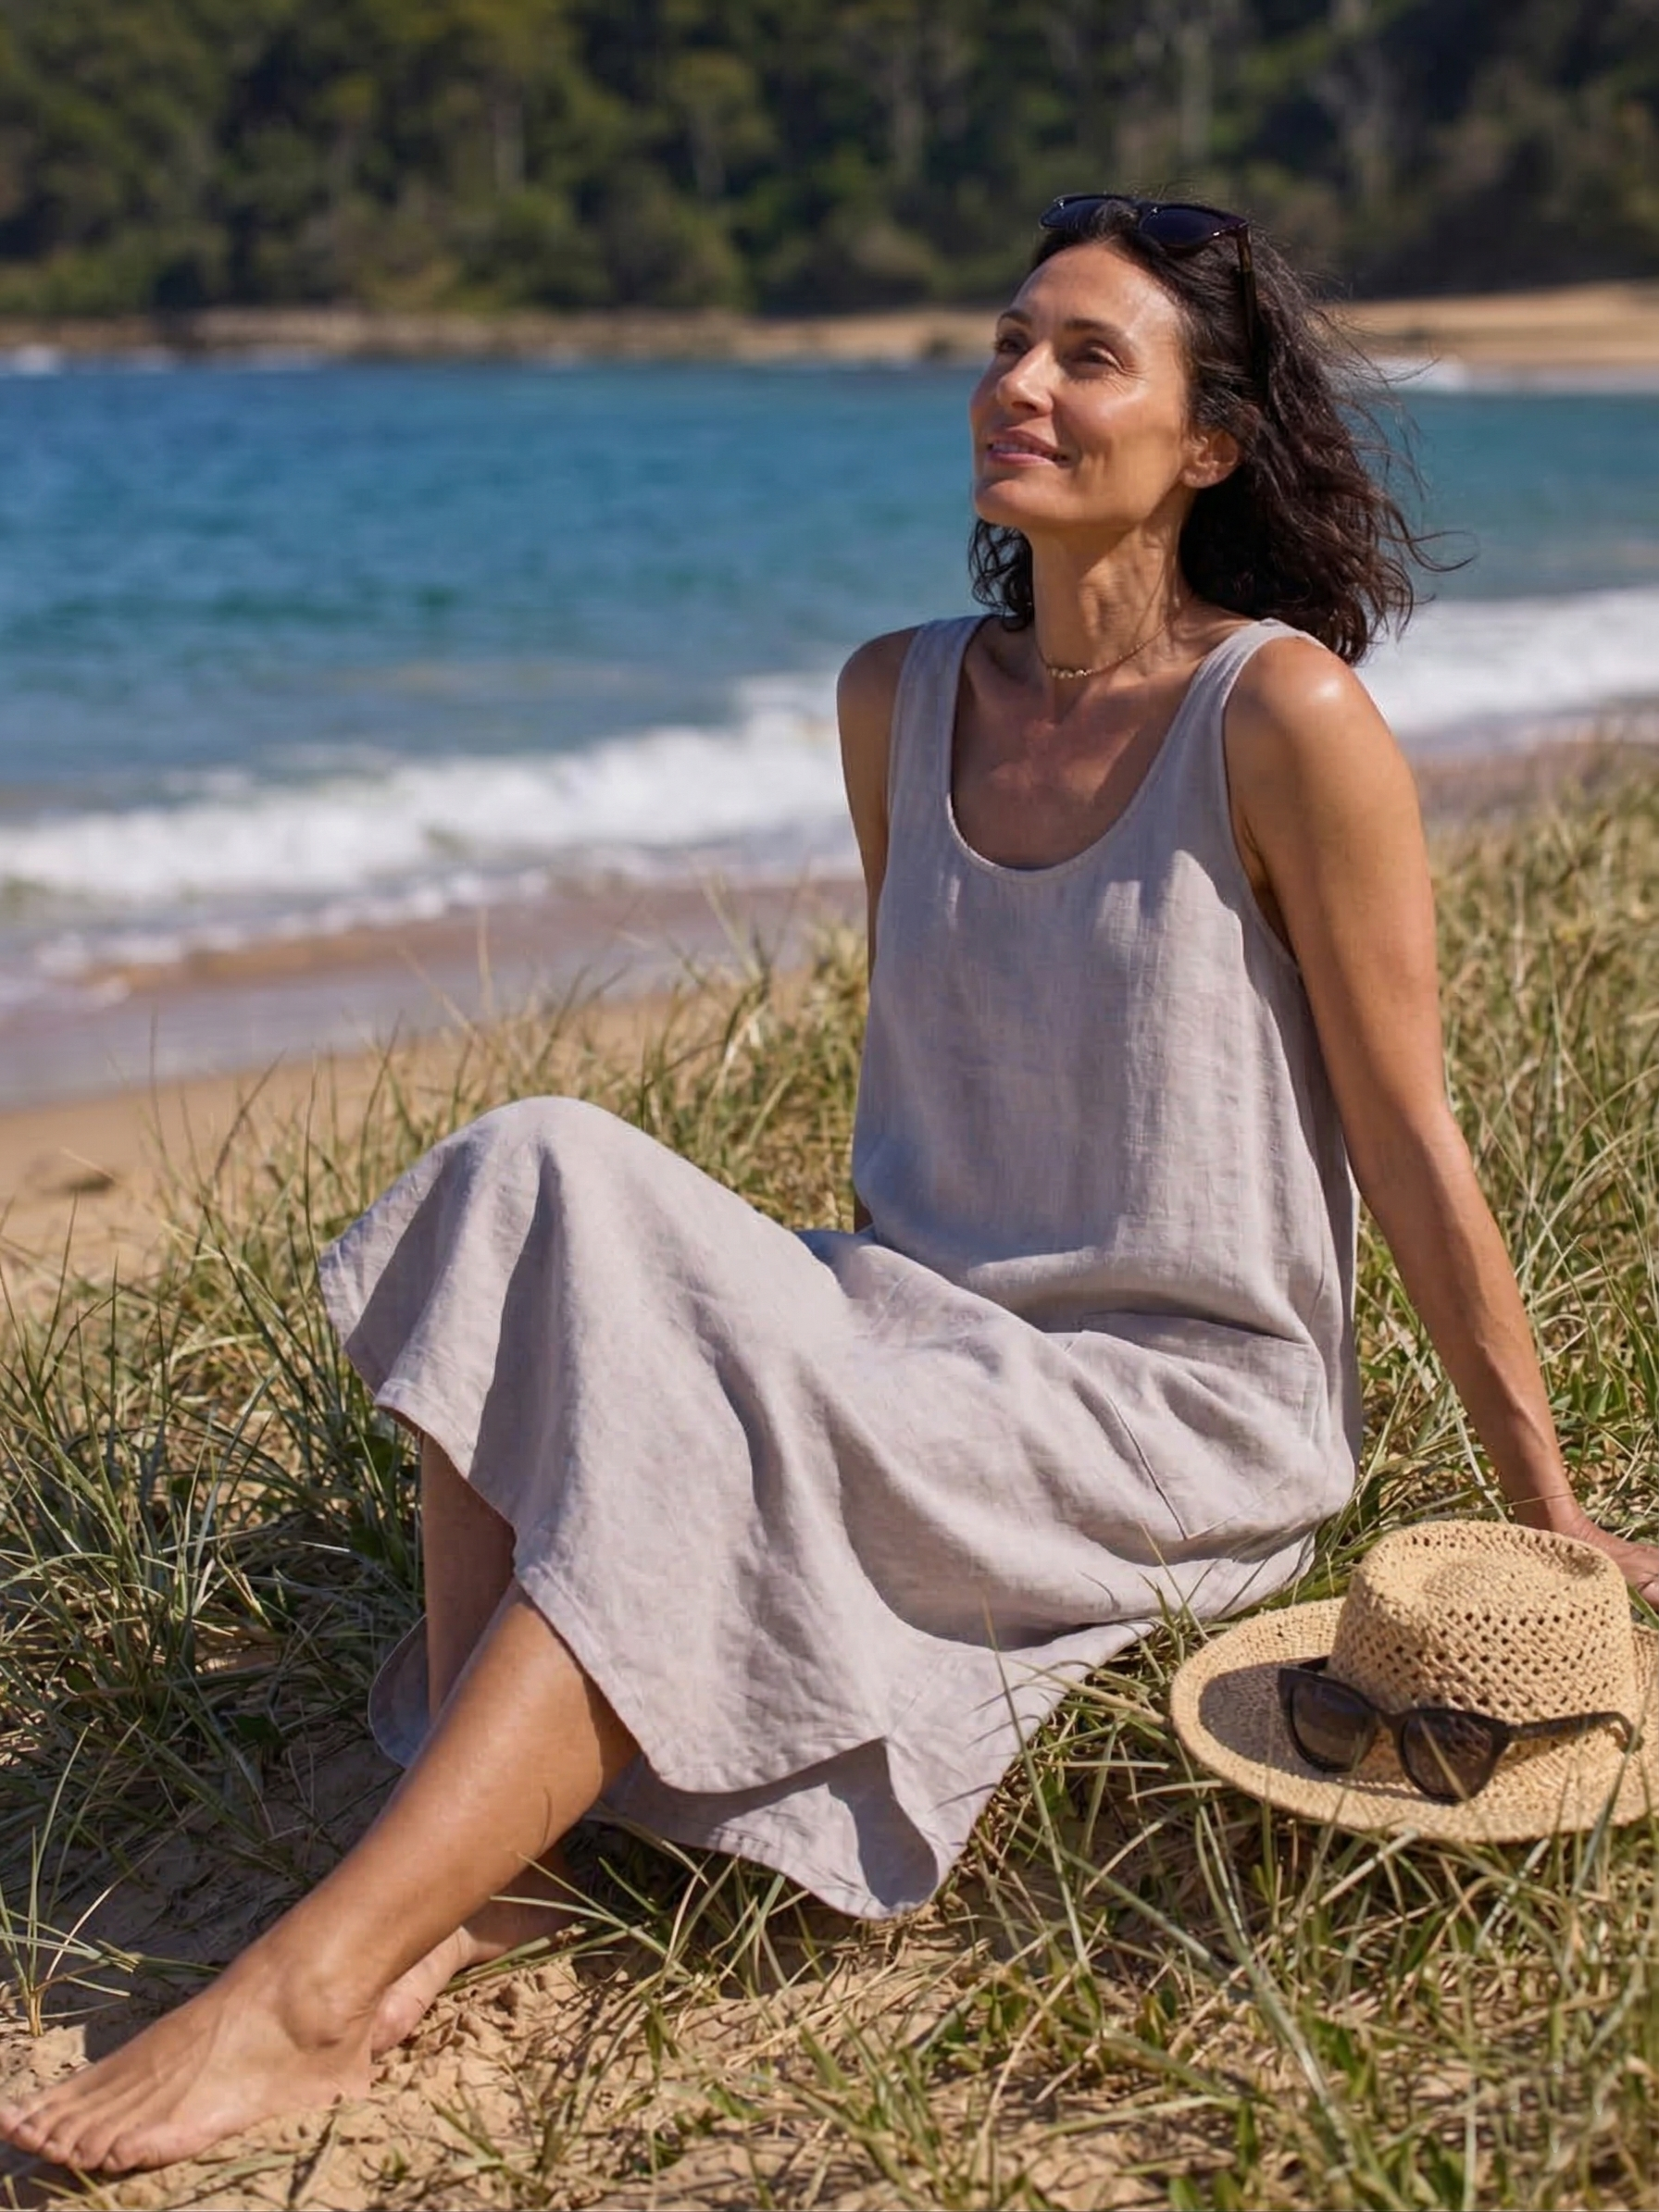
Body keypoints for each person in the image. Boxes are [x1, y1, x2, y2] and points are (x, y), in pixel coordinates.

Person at [6, 191, 1656, 2178]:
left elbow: (1407, 1140)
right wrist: (775, 1310)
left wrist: (1545, 1517)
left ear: (1207, 440)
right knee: (527, 1170)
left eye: (1082, 355)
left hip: (1170, 1408)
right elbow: (958, 1066)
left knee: (722, 1420)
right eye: (1007, 339)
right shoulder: (899, 695)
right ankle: (487, 1854)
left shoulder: (1280, 713)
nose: (1014, 384)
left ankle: (325, 1975)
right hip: (915, 1327)